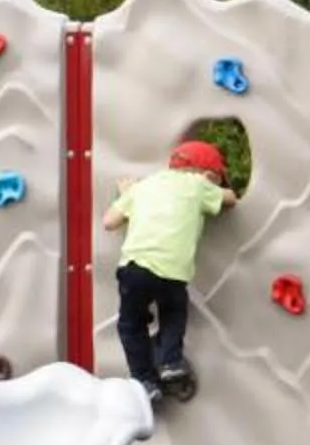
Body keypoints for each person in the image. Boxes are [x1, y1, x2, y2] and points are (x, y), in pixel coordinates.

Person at [102, 139, 240, 403]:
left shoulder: (142, 187)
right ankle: (170, 362)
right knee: (173, 313)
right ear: (209, 175)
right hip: (174, 272)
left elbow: (109, 222)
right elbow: (231, 199)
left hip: (135, 268)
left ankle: (144, 381)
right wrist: (221, 190)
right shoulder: (200, 185)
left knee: (131, 324)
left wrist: (125, 193)